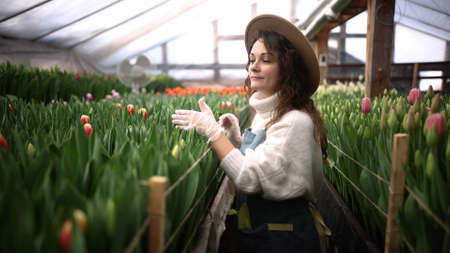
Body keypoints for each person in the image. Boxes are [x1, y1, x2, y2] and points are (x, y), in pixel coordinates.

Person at [172, 14, 329, 253]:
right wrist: (236, 138)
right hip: (267, 232)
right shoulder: (274, 113)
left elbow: (249, 177)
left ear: (287, 67)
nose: (253, 66)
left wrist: (214, 133)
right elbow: (265, 162)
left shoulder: (294, 121)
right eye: (251, 59)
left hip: (284, 240)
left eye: (266, 60)